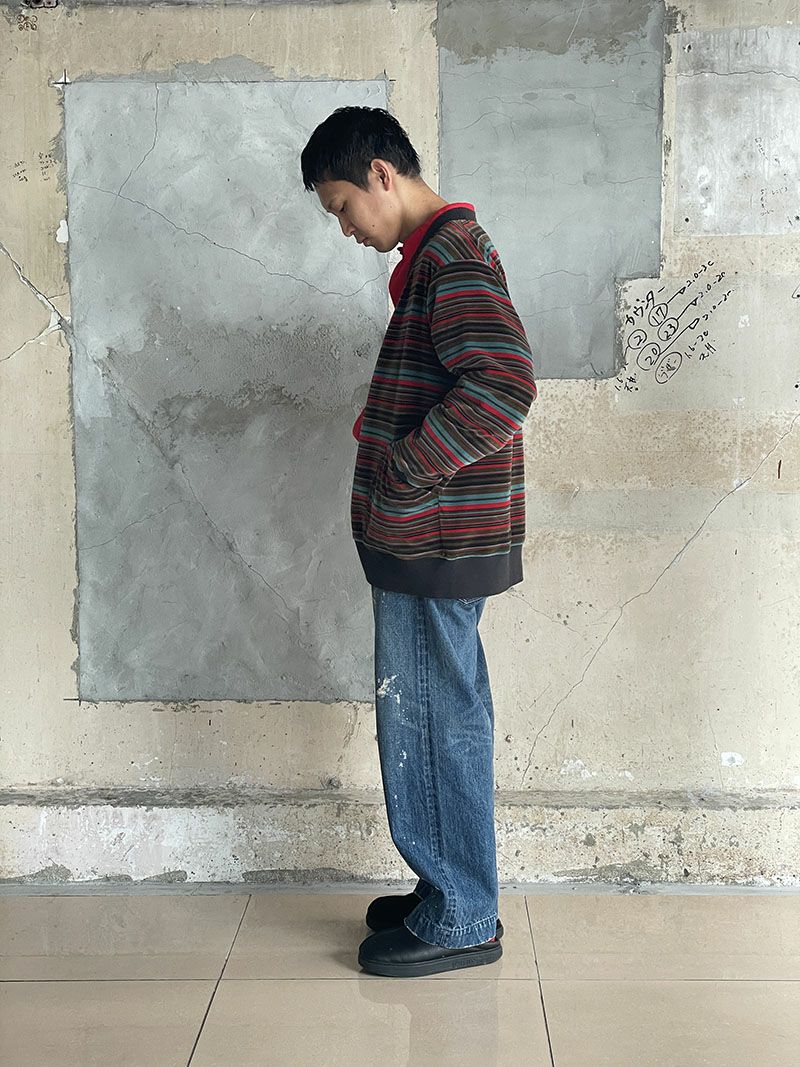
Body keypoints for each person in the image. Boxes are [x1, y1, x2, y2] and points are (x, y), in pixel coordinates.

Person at [300, 106, 537, 977]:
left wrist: (403, 469)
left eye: (342, 207)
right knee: (435, 710)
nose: (345, 229)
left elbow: (504, 383)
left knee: (433, 718)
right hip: (433, 540)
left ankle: (462, 913)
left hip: (435, 541)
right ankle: (449, 888)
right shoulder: (438, 256)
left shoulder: (451, 257)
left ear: (381, 175)